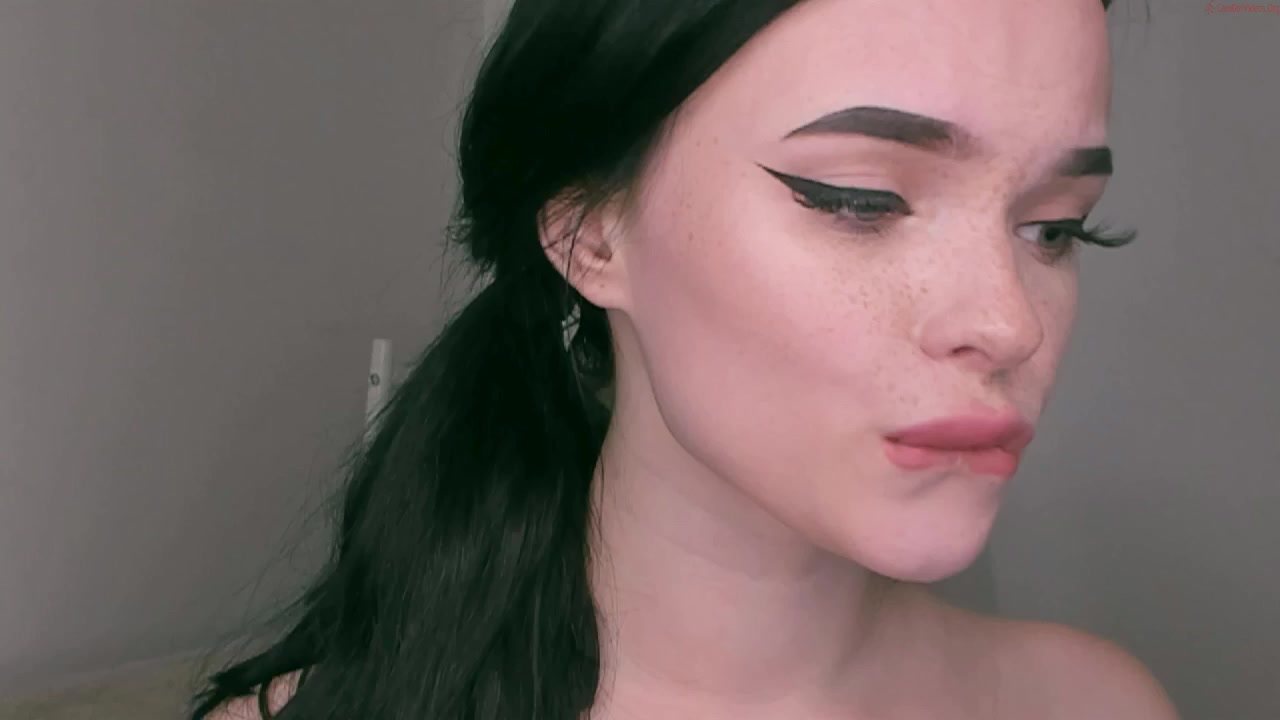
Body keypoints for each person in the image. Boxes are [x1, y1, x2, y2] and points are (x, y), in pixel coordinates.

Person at [192, 0, 1181, 718]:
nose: (1008, 324)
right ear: (589, 233)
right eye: (860, 201)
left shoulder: (1092, 704)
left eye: (1054, 228)